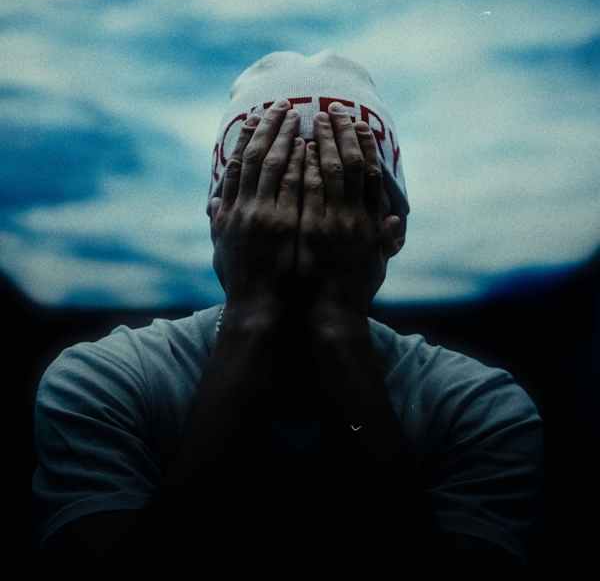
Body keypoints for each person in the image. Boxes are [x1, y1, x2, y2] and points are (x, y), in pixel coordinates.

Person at [31, 51, 543, 571]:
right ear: (221, 221)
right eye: (272, 197)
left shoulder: (480, 411)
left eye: (336, 200)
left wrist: (324, 320)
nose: (302, 225)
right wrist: (269, 312)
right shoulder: (101, 384)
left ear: (391, 233)